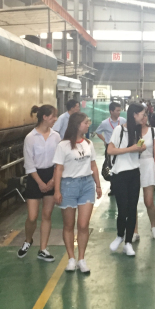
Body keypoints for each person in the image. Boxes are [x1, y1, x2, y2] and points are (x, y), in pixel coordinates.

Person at [53, 113, 102, 274]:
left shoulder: (88, 143)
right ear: (77, 124)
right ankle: (71, 258)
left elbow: (93, 165)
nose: (88, 125)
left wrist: (98, 185)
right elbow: (58, 169)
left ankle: (81, 259)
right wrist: (57, 190)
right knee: (68, 225)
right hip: (68, 185)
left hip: (86, 185)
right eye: (85, 123)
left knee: (83, 225)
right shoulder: (63, 145)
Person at [19, 105, 61, 262]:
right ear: (44, 117)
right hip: (35, 177)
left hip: (51, 175)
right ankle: (28, 240)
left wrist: (53, 180)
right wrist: (40, 183)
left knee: (47, 215)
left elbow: (59, 160)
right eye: (53, 116)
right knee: (32, 216)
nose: (55, 119)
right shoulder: (30, 138)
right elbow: (29, 164)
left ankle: (43, 249)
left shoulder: (56, 136)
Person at [106, 103, 146, 257]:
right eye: (142, 114)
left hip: (134, 173)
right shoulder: (119, 130)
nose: (144, 117)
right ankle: (119, 236)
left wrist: (141, 147)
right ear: (134, 114)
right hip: (120, 174)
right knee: (122, 209)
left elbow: (140, 146)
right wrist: (131, 149)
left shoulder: (138, 130)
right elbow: (110, 150)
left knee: (132, 208)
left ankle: (128, 242)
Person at [133, 110, 155, 240]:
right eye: (140, 116)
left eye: (144, 116)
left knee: (149, 201)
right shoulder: (132, 132)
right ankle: (134, 231)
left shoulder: (153, 131)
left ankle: (153, 226)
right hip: (134, 165)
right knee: (133, 201)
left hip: (149, 165)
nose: (143, 118)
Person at [95, 102, 126, 196]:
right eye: (117, 110)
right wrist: (104, 140)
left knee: (121, 166)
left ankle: (122, 186)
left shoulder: (123, 120)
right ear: (111, 111)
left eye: (120, 110)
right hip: (110, 148)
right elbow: (98, 132)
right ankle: (113, 188)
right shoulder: (105, 123)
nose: (119, 112)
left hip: (121, 147)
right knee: (111, 167)